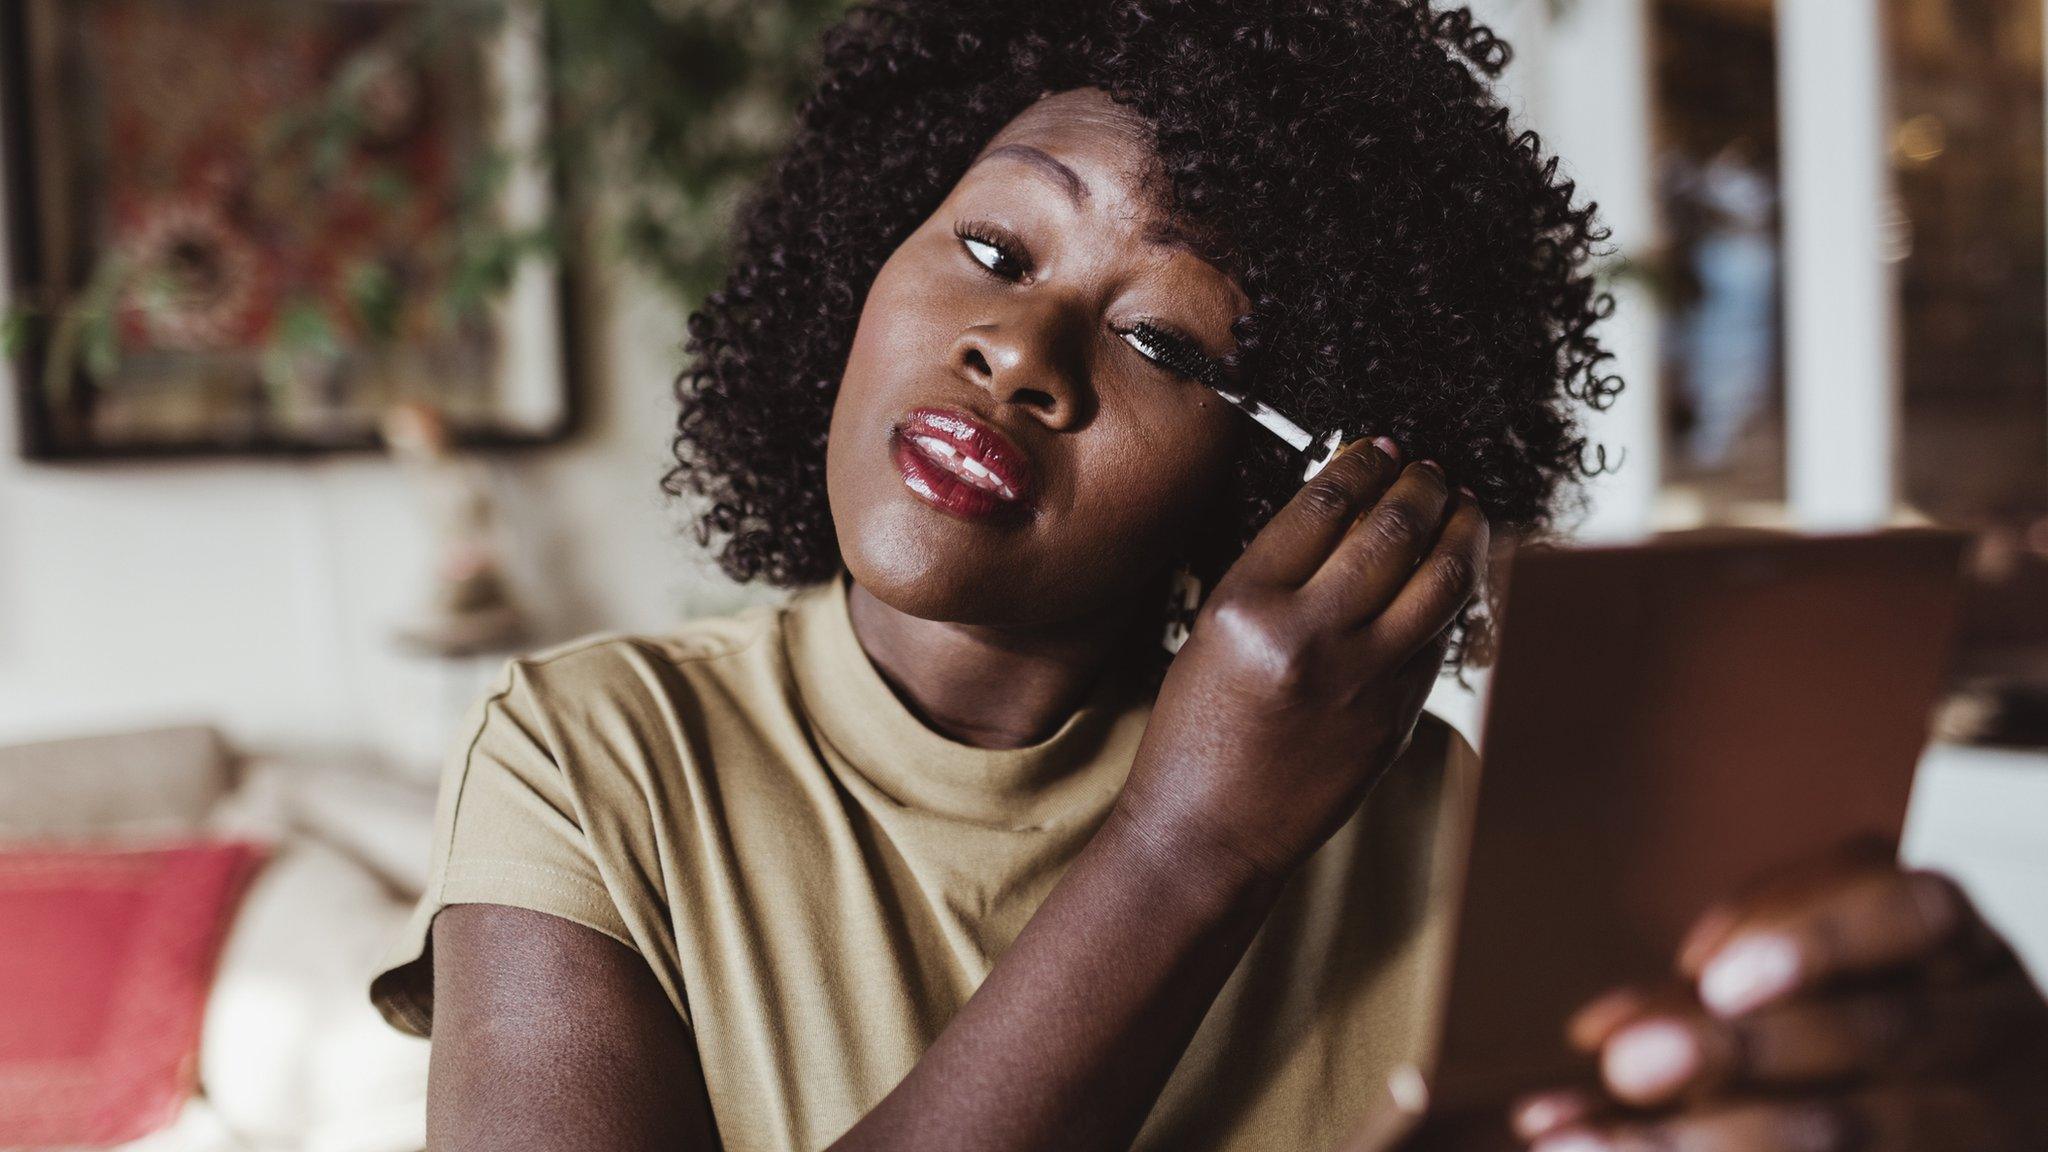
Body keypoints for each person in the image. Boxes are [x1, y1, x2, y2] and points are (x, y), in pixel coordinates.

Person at [367, 2, 2048, 1149]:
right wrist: (1183, 853)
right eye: (990, 245)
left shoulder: (1443, 837)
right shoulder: (589, 757)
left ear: (1288, 471)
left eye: (1162, 335)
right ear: (855, 257)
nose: (1018, 349)